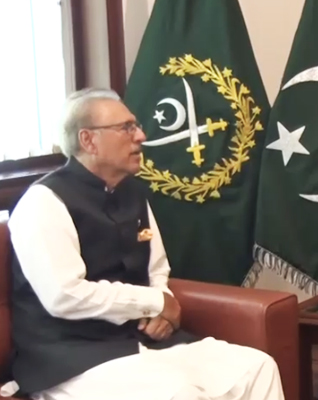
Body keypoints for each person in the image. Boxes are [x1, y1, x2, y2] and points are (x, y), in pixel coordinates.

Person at [1, 88, 285, 400]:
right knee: (181, 393)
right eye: (126, 128)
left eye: (135, 126)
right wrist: (155, 302)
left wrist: (160, 310)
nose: (141, 136)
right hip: (71, 357)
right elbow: (64, 295)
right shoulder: (43, 202)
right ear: (88, 140)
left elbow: (157, 269)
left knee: (257, 367)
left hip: (141, 341)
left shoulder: (132, 193)